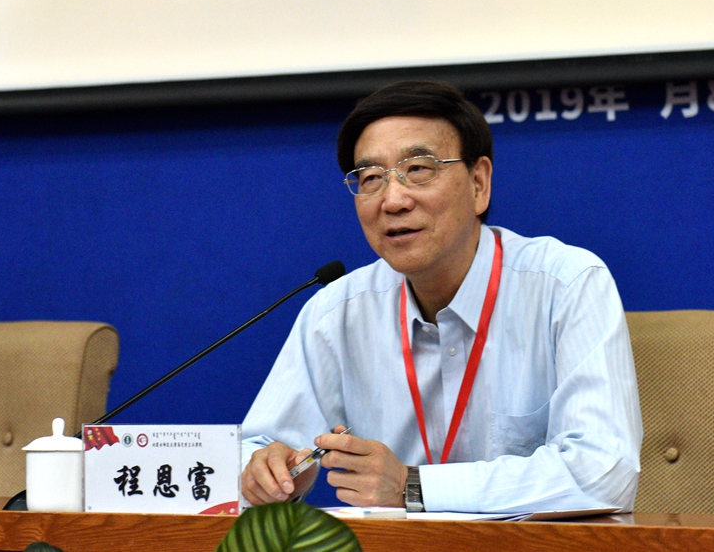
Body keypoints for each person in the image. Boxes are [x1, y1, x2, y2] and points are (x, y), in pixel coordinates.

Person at [240, 80, 642, 513]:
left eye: (418, 169)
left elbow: (603, 471)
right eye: (371, 178)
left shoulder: (566, 285)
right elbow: (254, 450)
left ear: (478, 183)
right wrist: (270, 475)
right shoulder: (336, 312)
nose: (393, 199)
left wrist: (411, 487)